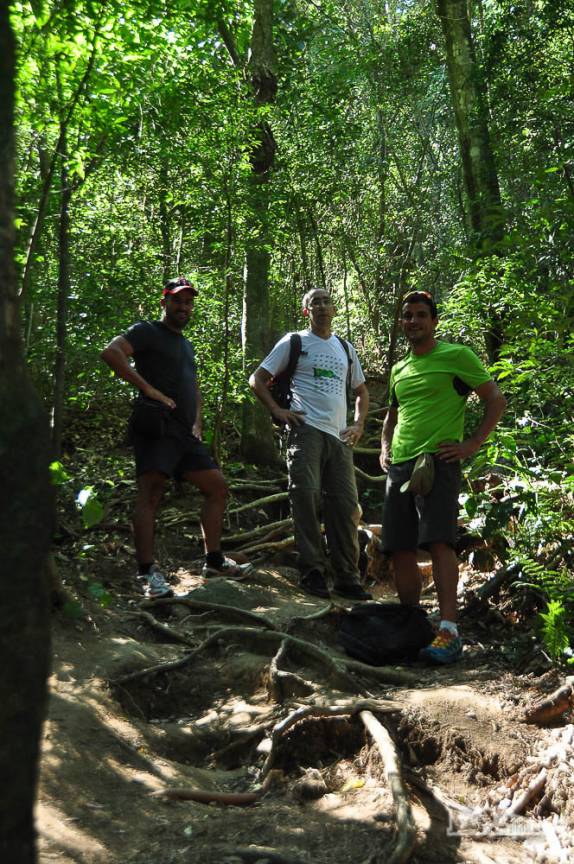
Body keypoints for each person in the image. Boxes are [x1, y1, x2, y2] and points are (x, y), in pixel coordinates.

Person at [101, 276, 252, 599]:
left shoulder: (186, 344)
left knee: (217, 487)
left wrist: (198, 421)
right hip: (156, 427)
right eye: (177, 301)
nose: (183, 307)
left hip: (185, 434)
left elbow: (192, 385)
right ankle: (147, 574)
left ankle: (213, 561)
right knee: (151, 495)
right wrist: (149, 390)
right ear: (164, 302)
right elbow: (112, 352)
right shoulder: (147, 331)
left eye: (188, 302)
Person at [380, 290, 506, 664]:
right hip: (400, 465)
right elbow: (392, 413)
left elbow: (494, 399)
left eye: (421, 315)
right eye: (408, 316)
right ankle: (412, 622)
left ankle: (449, 629)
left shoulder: (456, 356)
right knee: (399, 547)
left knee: (438, 542)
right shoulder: (400, 368)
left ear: (434, 321)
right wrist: (385, 448)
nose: (413, 321)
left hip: (438, 461)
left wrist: (471, 444)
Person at [250, 287, 371, 601]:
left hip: (340, 437)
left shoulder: (345, 348)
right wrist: (277, 411)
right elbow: (257, 379)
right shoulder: (295, 342)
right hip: (305, 431)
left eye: (326, 301)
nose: (321, 306)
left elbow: (361, 391)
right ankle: (312, 572)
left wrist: (358, 424)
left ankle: (347, 577)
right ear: (307, 311)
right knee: (305, 497)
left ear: (333, 309)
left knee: (345, 506)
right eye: (314, 302)